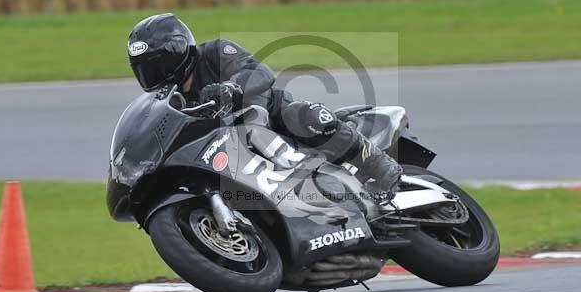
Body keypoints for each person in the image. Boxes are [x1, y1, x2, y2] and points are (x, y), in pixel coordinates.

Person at [126, 13, 403, 197]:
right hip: (224, 151)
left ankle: (381, 168)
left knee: (306, 117)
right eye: (144, 70)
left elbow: (259, 72)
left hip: (271, 117)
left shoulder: (213, 53)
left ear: (178, 51)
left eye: (158, 64)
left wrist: (232, 89)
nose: (153, 75)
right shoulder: (167, 100)